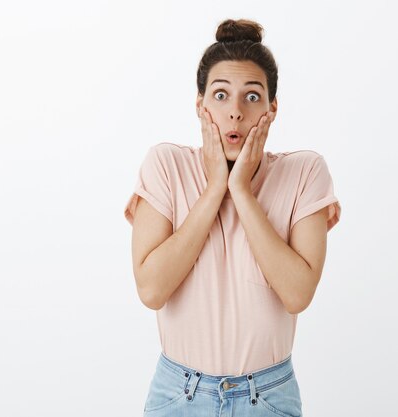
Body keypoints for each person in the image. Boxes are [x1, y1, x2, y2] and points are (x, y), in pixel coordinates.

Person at [123, 18, 341, 417]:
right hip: (178, 395)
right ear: (200, 105)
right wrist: (214, 189)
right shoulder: (165, 165)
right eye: (220, 95)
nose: (235, 113)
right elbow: (151, 290)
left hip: (268, 397)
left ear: (272, 108)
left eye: (252, 97)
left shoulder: (305, 172)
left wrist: (241, 190)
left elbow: (297, 294)